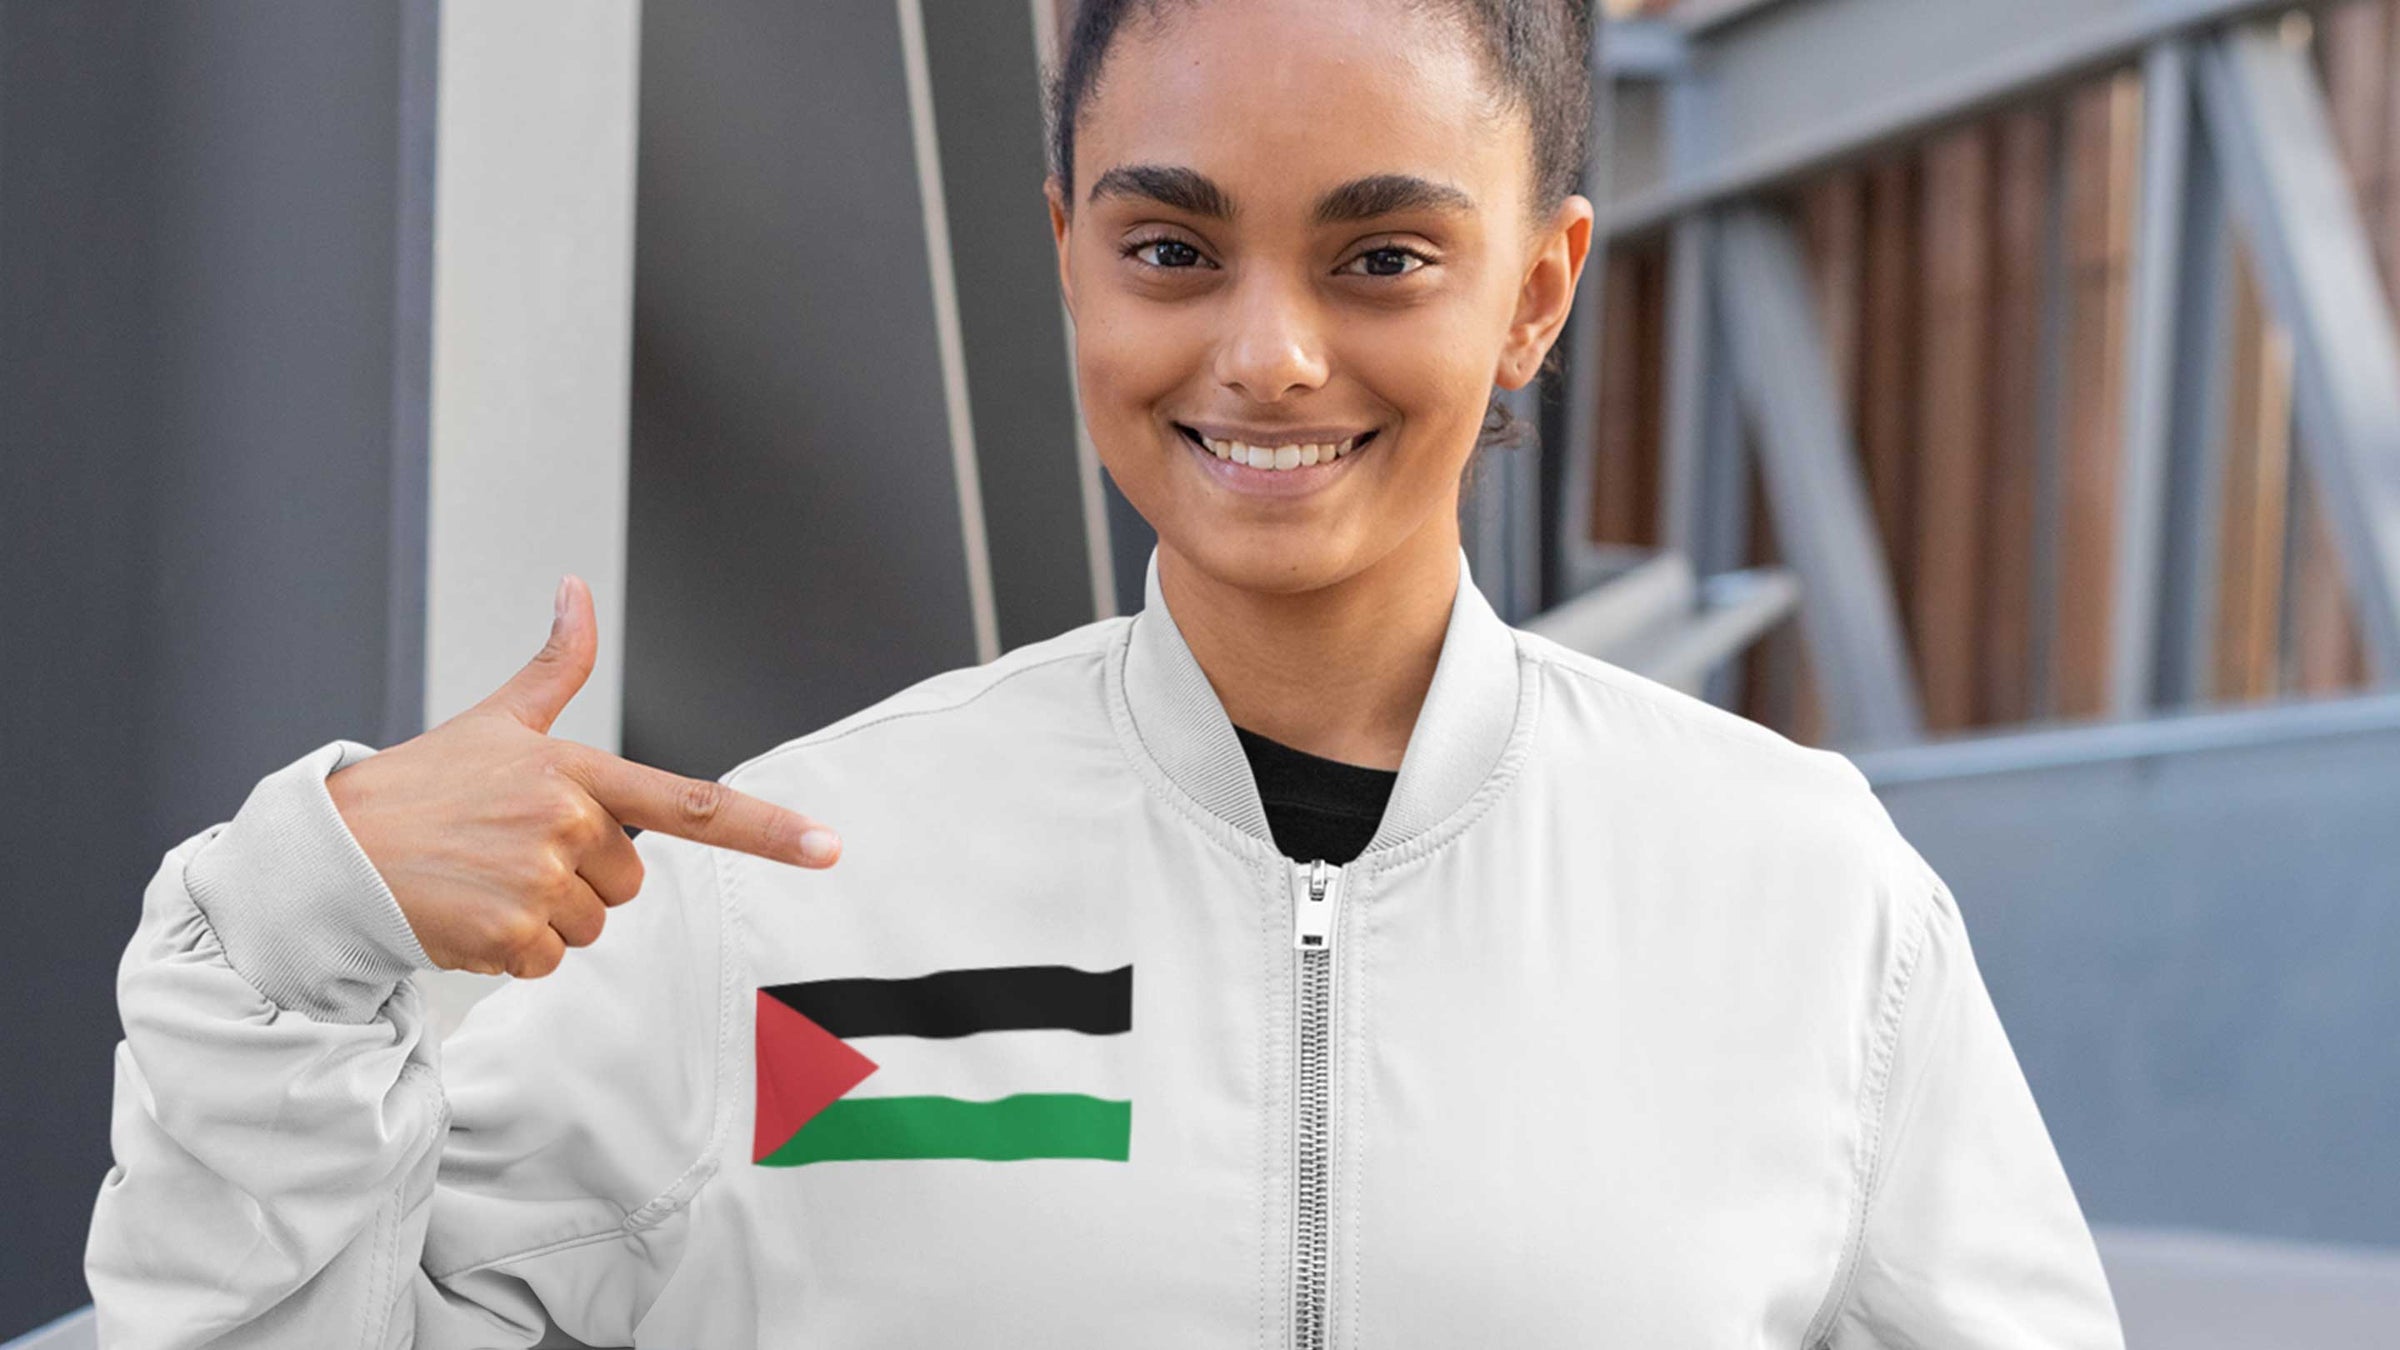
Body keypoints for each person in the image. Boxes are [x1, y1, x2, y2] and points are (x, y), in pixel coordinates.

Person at [84, 0, 2127, 1345]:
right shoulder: (792, 885)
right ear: (1066, 250)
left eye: (1380, 257)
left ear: (1536, 290)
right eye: (1173, 249)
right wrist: (288, 938)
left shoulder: (1790, 891)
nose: (1270, 355)